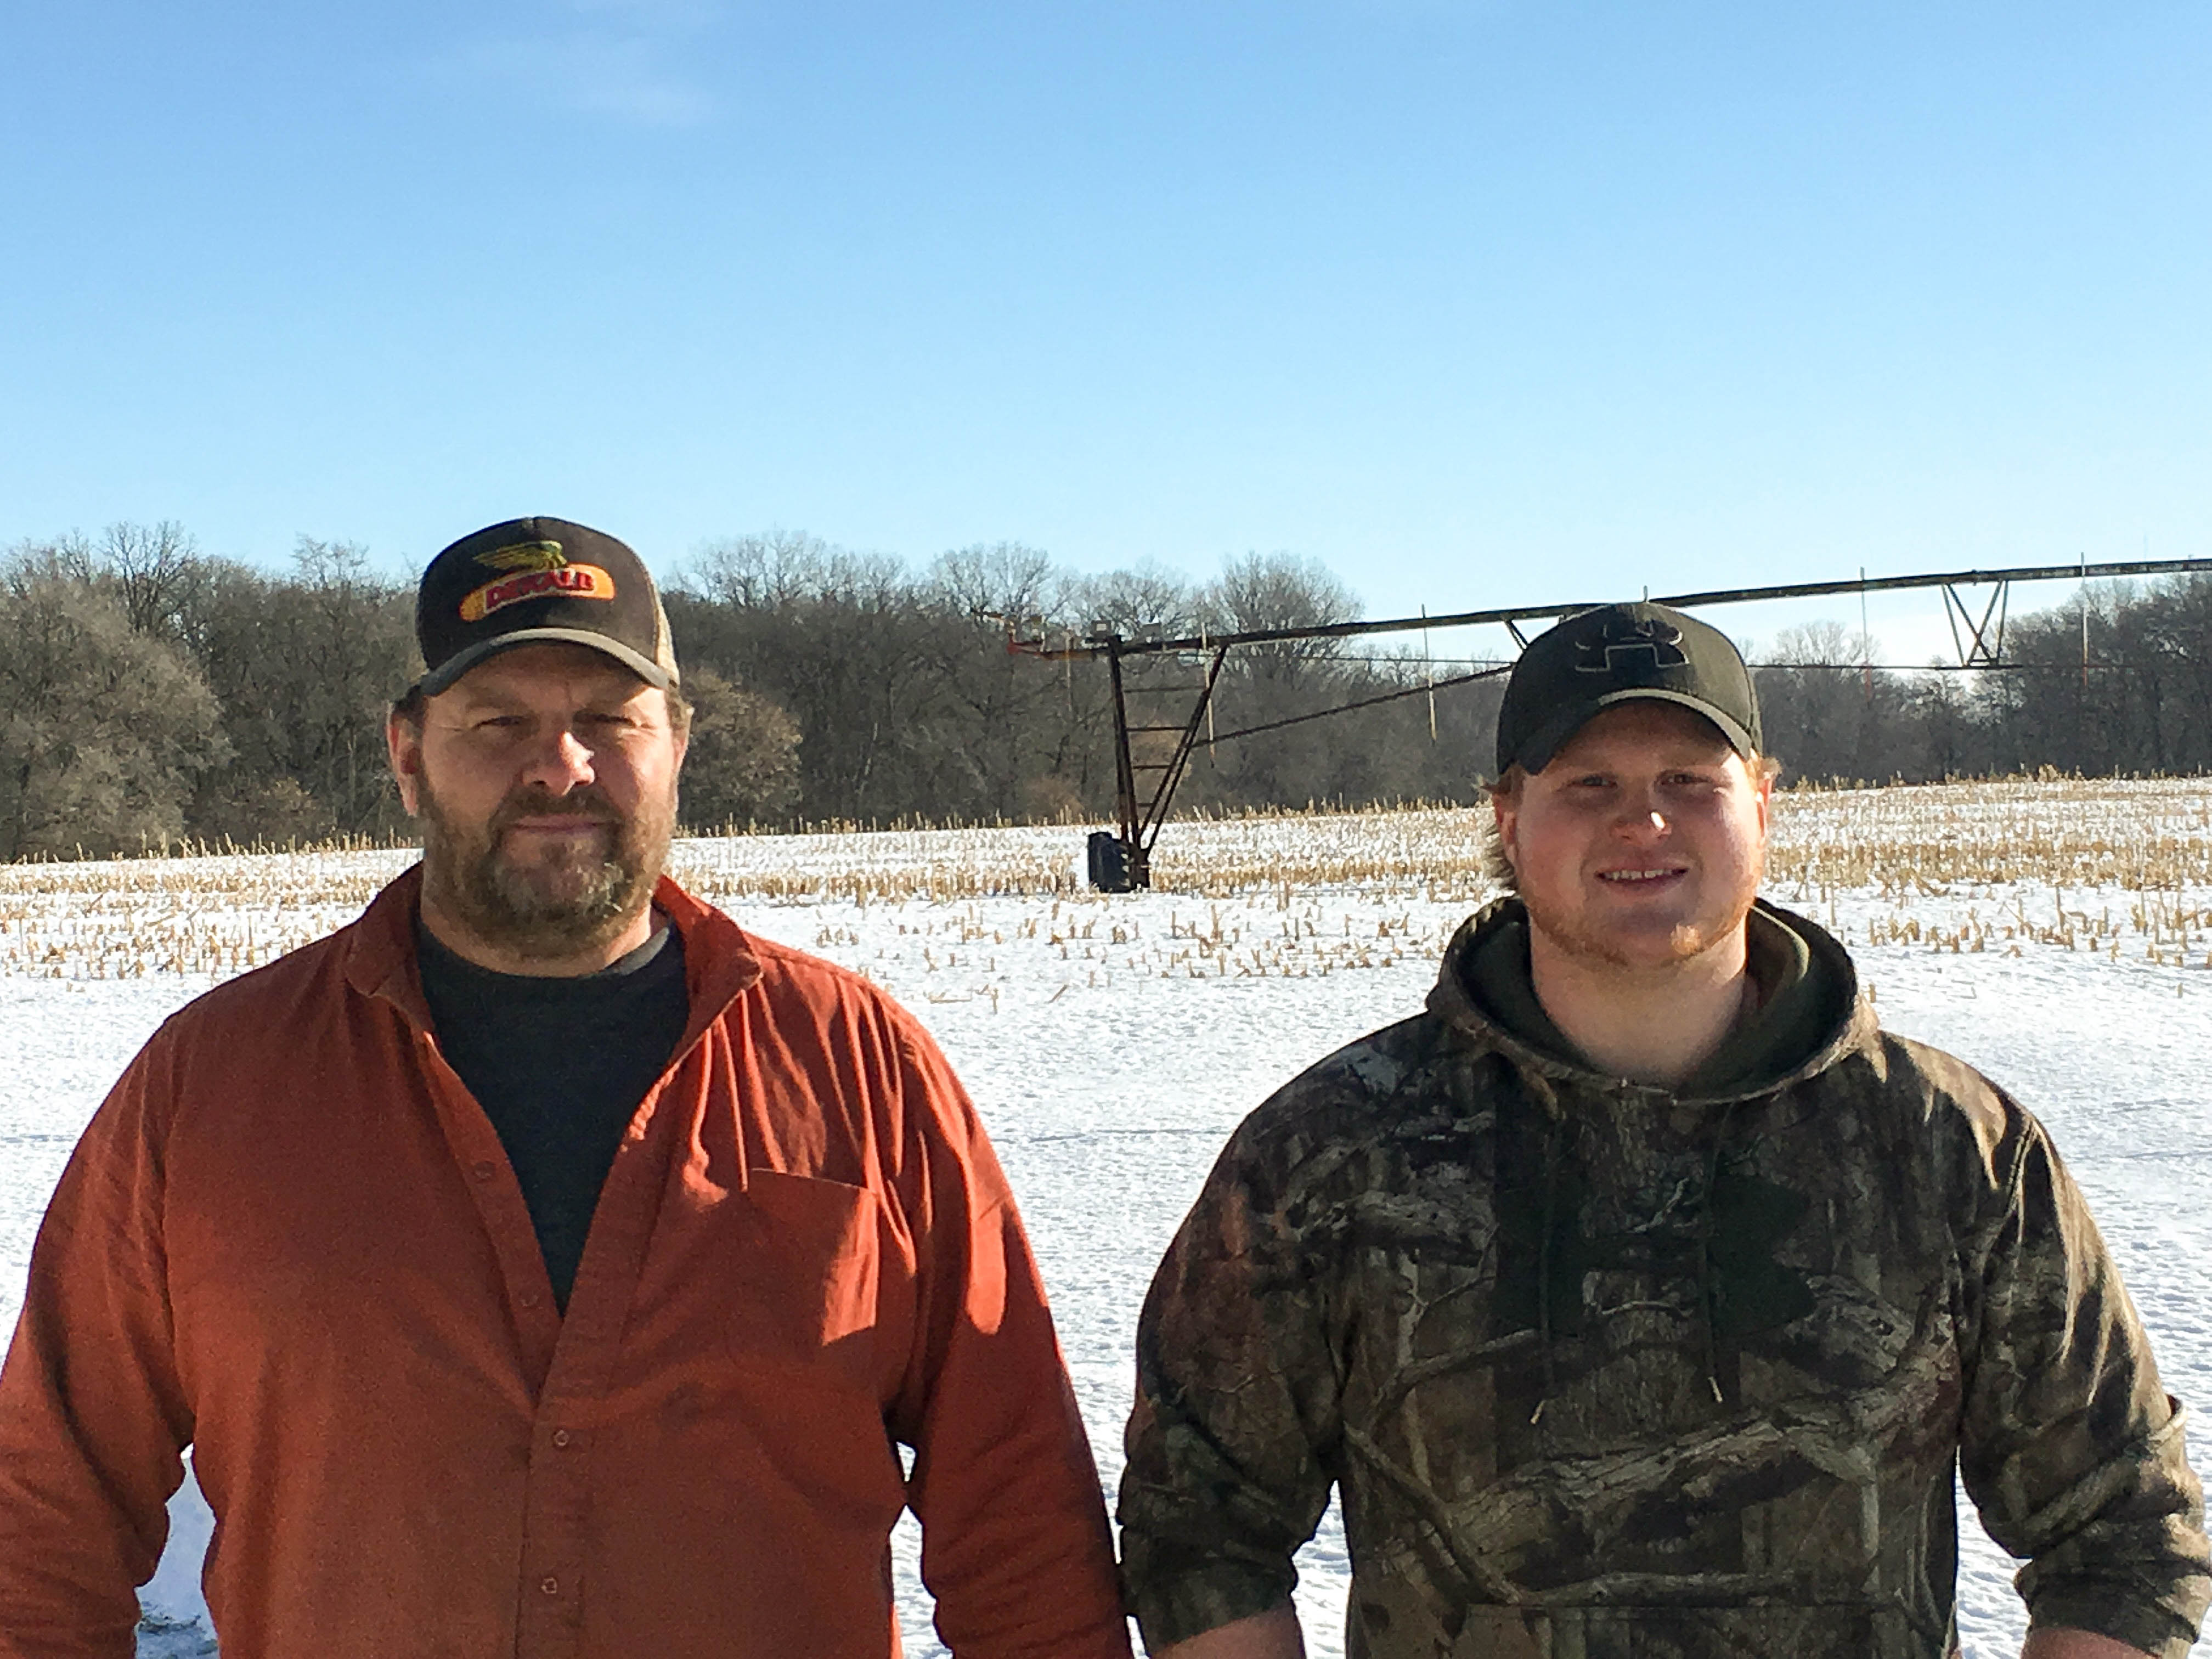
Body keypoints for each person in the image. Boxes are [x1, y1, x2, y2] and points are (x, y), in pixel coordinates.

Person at [0, 517, 1131, 1659]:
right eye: (500, 724)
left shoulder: (859, 1069)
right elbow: (43, 1527)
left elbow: (1021, 1521)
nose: (559, 765)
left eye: (608, 720)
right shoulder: (211, 1090)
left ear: (677, 744)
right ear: (406, 753)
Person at [1119, 602, 2210, 1659]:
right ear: (1507, 819)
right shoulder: (1331, 1154)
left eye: (1689, 782)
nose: (1642, 822)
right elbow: (1200, 1525)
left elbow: (2126, 1534)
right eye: (1590, 784)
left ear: (1764, 808)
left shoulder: (1948, 1148)